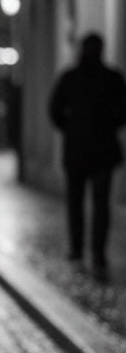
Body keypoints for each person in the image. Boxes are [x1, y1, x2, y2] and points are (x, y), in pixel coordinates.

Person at [49, 32, 126, 281]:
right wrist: (110, 126)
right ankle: (97, 252)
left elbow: (55, 111)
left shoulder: (71, 78)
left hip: (78, 150)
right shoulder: (112, 78)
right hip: (101, 149)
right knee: (100, 204)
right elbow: (123, 111)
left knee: (77, 202)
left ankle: (78, 249)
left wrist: (71, 128)